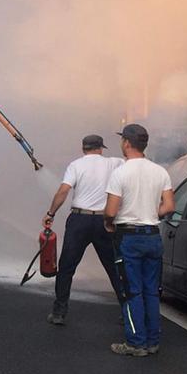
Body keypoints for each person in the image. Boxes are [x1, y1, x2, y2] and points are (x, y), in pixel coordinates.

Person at [103, 124, 174, 357]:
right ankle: (153, 341)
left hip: (129, 237)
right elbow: (170, 206)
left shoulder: (120, 173)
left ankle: (136, 342)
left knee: (131, 291)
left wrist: (108, 223)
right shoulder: (160, 171)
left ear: (126, 143)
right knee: (151, 291)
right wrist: (153, 213)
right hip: (152, 235)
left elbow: (111, 210)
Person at [44, 134, 123, 325]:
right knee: (114, 266)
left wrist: (51, 213)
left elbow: (63, 191)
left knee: (67, 267)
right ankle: (128, 310)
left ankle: (59, 312)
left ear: (83, 148)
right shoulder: (114, 163)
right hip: (105, 220)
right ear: (101, 148)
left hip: (79, 219)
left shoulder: (76, 165)